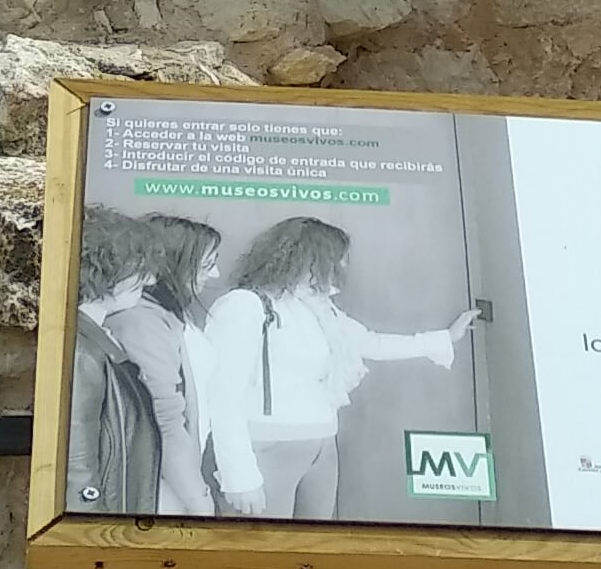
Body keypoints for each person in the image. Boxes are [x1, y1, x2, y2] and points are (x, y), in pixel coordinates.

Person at [194, 217, 491, 521]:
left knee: (312, 552)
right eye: (336, 259)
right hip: (266, 450)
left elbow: (371, 343)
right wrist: (238, 475)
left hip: (322, 449)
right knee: (262, 556)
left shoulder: (321, 310)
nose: (341, 268)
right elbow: (222, 393)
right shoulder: (245, 304)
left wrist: (445, 337)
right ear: (310, 257)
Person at [67, 212, 218, 516]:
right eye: (140, 268)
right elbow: (79, 460)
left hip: (145, 485)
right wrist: (199, 499)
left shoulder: (100, 334)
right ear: (107, 269)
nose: (150, 279)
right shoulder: (92, 346)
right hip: (145, 492)